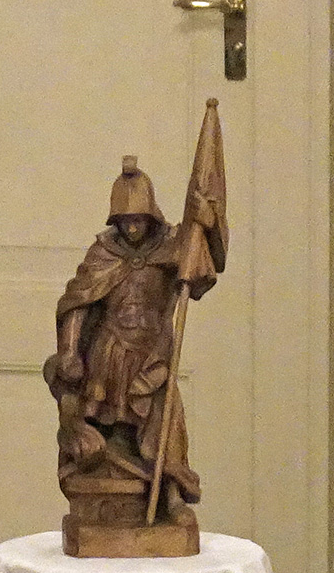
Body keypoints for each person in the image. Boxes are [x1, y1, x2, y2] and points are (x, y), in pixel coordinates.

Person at [43, 156, 216, 525]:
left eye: (139, 220)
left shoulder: (172, 246)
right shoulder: (103, 252)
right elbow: (78, 302)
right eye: (125, 221)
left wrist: (207, 223)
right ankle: (109, 500)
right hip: (108, 351)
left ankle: (170, 495)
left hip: (152, 354)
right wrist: (70, 351)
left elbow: (203, 270)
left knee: (164, 420)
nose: (133, 228)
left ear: (151, 216)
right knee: (107, 425)